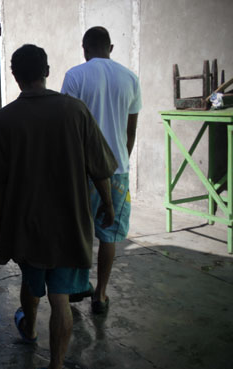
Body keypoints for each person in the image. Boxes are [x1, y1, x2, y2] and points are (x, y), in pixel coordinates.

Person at [0, 44, 117, 369]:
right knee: (62, 300)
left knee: (31, 280)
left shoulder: (4, 120)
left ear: (16, 77)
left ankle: (31, 329)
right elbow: (100, 169)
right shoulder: (75, 111)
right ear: (48, 70)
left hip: (26, 227)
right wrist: (110, 208)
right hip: (70, 225)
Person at [61, 26, 142, 314]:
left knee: (78, 230)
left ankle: (75, 287)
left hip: (81, 171)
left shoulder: (75, 76)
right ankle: (101, 295)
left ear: (85, 49)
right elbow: (130, 132)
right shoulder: (131, 78)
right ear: (111, 47)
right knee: (109, 235)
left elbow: (67, 128)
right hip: (116, 170)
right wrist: (118, 160)